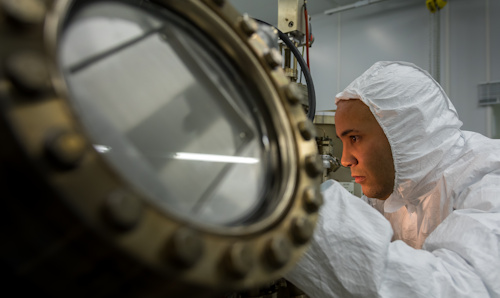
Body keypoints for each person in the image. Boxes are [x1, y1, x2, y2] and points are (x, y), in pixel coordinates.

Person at [285, 61, 500, 297]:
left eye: (355, 138)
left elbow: (461, 289)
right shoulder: (397, 190)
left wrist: (299, 213)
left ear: (406, 133)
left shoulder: (488, 180)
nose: (345, 160)